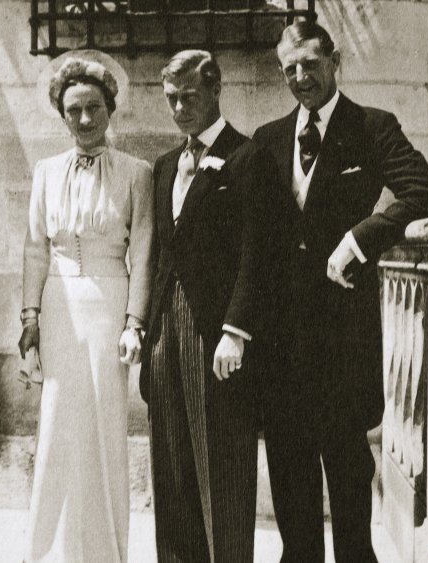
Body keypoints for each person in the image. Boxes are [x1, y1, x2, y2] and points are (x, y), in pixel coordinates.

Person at [243, 20, 428, 562]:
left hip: (342, 343)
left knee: (349, 487)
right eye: (290, 69)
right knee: (291, 484)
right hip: (281, 347)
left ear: (335, 61)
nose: (301, 77)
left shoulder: (372, 127)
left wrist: (362, 238)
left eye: (311, 64)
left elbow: (426, 194)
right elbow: (244, 229)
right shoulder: (266, 140)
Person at [18, 56, 153, 563]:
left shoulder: (136, 174)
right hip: (58, 307)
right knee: (56, 425)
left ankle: (103, 553)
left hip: (109, 303)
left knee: (102, 426)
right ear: (61, 114)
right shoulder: (46, 171)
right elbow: (34, 247)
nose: (84, 120)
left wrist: (134, 322)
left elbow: (142, 250)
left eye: (93, 108)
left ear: (110, 109)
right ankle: (50, 553)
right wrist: (29, 317)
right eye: (73, 110)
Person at [140, 50, 258, 563]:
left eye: (190, 97)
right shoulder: (165, 166)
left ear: (215, 91)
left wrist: (236, 329)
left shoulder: (248, 157)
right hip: (166, 333)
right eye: (172, 99)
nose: (181, 108)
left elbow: (258, 253)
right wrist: (145, 333)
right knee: (171, 468)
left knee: (223, 470)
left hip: (217, 335)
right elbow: (161, 257)